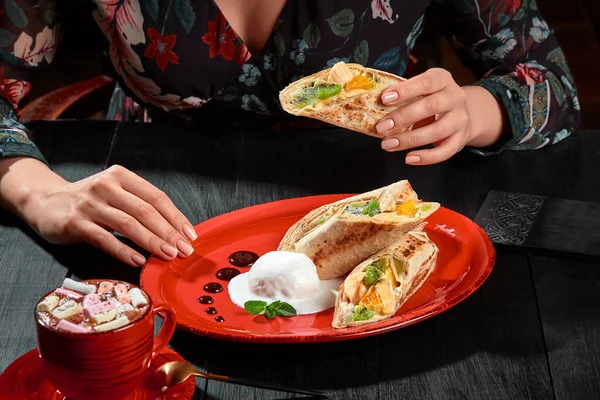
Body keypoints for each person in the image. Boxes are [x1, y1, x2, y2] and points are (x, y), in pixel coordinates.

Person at [0, 0, 580, 267]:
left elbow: (553, 84)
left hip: (371, 222)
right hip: (156, 223)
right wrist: (34, 189)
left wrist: (473, 110)